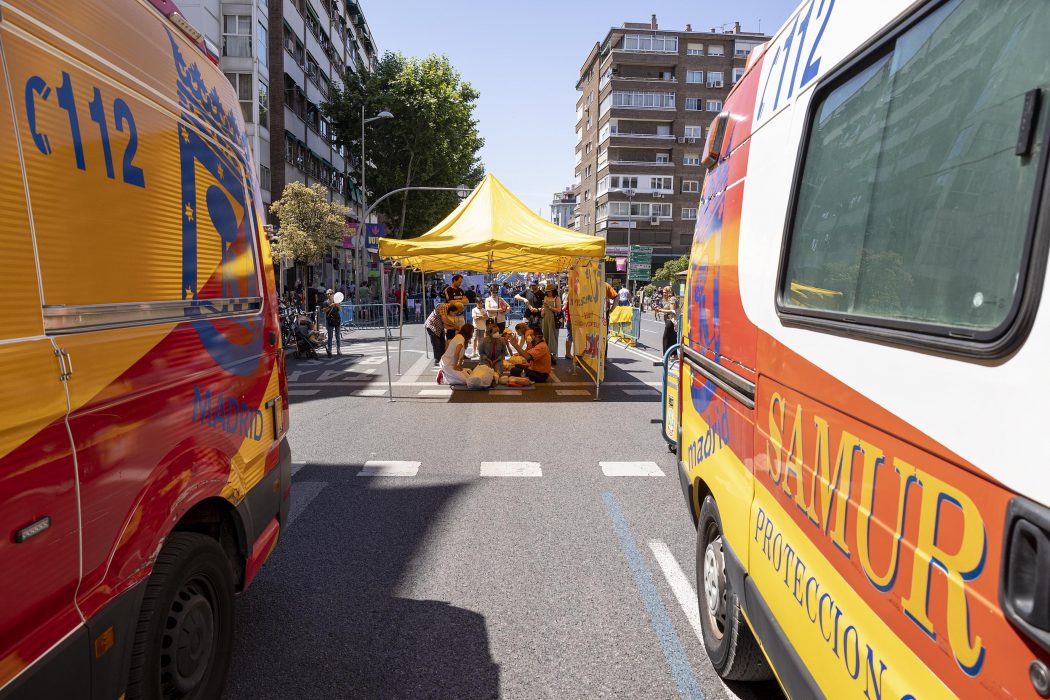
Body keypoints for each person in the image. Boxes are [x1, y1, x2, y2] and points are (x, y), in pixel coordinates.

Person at [424, 301, 463, 365]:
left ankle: (442, 359)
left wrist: (454, 328)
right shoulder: (442, 307)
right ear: (452, 310)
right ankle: (437, 360)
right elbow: (444, 319)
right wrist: (455, 325)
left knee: (442, 344)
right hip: (432, 326)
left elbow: (445, 325)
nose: (455, 315)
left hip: (439, 328)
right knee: (436, 344)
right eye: (456, 313)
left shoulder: (447, 311)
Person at [541, 284, 561, 365]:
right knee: (546, 336)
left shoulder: (557, 298)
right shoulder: (545, 297)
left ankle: (554, 354)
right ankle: (547, 354)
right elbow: (543, 307)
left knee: (553, 336)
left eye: (550, 291)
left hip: (553, 319)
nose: (548, 293)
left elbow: (558, 310)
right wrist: (542, 311)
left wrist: (549, 307)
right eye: (547, 291)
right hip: (546, 318)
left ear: (553, 291)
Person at [322, 289, 342, 356]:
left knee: (337, 336)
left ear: (334, 294)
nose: (329, 295)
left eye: (331, 293)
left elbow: (340, 310)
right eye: (328, 293)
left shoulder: (337, 301)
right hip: (330, 320)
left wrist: (338, 305)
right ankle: (330, 350)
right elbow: (324, 310)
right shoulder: (325, 303)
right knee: (330, 336)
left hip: (337, 320)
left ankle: (338, 350)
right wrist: (330, 306)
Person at [562, 289, 573, 359]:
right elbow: (564, 307)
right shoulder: (570, 296)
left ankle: (568, 353)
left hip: (570, 319)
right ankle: (568, 353)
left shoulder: (568, 296)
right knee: (570, 336)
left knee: (570, 336)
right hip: (571, 319)